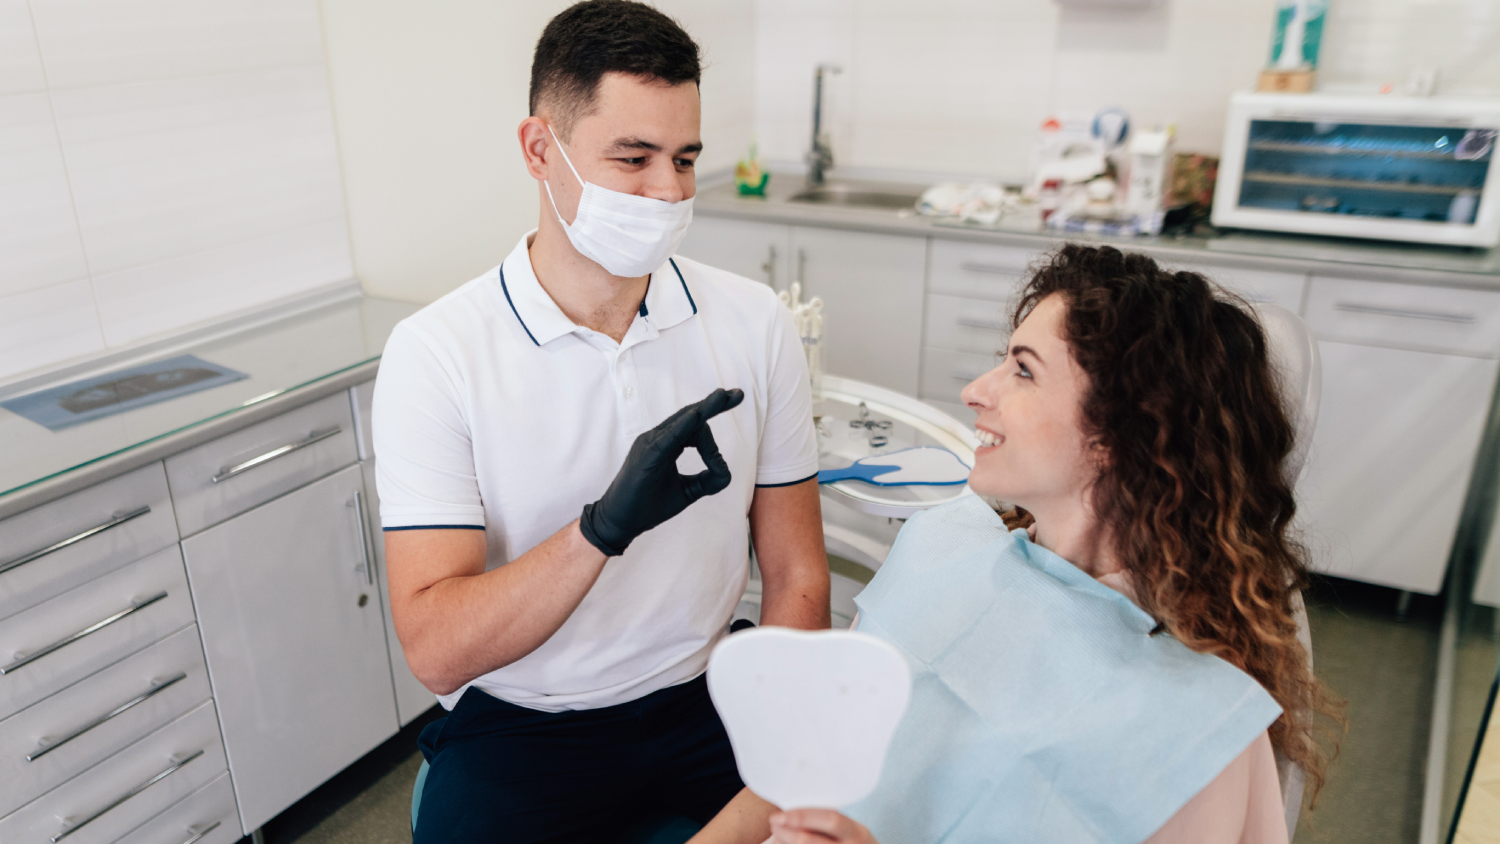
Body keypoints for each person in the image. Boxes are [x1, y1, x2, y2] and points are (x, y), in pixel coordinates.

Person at [693, 244, 1339, 844]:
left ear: (1122, 432)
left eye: (1023, 372)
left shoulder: (1196, 733)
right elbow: (798, 772)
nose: (976, 391)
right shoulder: (941, 544)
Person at [371, 2, 831, 840]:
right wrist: (601, 529)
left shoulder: (751, 322)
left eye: (685, 158)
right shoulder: (437, 353)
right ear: (540, 150)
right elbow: (436, 648)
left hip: (704, 699)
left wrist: (785, 738)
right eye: (634, 158)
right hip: (527, 724)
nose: (669, 191)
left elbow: (798, 577)